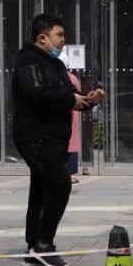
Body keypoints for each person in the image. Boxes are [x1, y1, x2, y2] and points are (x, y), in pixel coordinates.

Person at [12, 14, 105, 266]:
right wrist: (70, 100)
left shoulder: (55, 65)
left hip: (53, 137)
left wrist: (89, 99)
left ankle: (34, 247)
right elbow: (38, 92)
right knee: (60, 184)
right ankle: (44, 244)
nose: (63, 41)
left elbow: (68, 97)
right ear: (42, 38)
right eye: (59, 36)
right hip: (35, 136)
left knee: (41, 189)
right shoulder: (29, 61)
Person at [59, 50, 82, 184]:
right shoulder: (72, 78)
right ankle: (69, 174)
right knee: (70, 145)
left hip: (66, 115)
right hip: (68, 115)